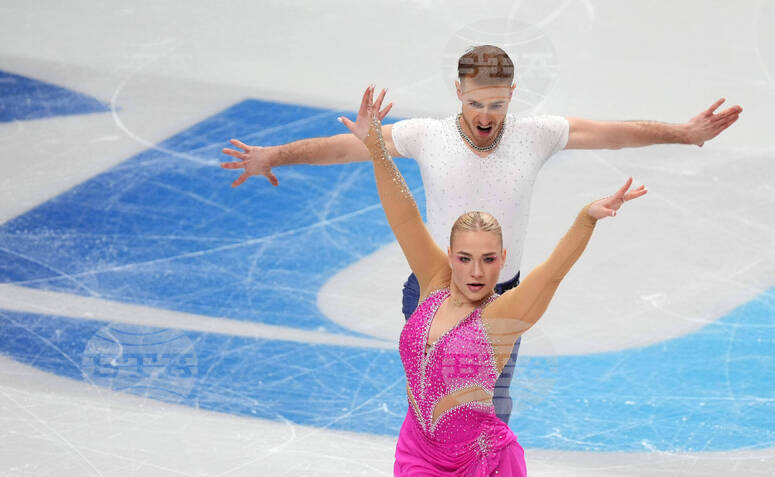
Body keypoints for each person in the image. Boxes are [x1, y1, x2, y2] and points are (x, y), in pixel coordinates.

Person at [221, 45, 741, 424]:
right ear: (459, 93)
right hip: (432, 293)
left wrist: (684, 133)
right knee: (434, 404)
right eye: (476, 104)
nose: (485, 116)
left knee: (490, 406)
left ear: (512, 95)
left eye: (496, 105)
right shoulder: (426, 136)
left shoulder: (537, 135)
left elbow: (615, 133)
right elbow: (344, 147)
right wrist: (273, 155)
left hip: (501, 297)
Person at [343, 85, 645, 477]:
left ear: (502, 258)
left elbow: (555, 268)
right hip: (422, 452)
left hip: (482, 460)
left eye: (488, 260)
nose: (477, 271)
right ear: (449, 258)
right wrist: (377, 147)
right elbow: (402, 210)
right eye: (465, 258)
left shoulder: (506, 315)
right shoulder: (430, 283)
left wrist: (586, 219)